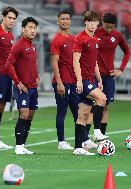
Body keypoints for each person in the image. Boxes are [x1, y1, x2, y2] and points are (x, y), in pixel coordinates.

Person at [72, 10, 108, 155]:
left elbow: (94, 63)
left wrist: (99, 80)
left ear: (98, 23)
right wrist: (79, 80)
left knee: (84, 114)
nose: (93, 24)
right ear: (85, 22)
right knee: (102, 98)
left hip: (91, 79)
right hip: (84, 80)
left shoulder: (95, 39)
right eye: (90, 21)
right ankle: (97, 131)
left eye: (95, 21)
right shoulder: (80, 38)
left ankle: (79, 147)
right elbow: (76, 61)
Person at [5, 17, 39, 155]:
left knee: (30, 115)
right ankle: (18, 146)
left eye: (34, 28)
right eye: (30, 27)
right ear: (23, 29)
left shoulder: (32, 45)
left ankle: (23, 144)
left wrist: (36, 76)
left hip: (33, 87)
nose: (32, 30)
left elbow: (31, 64)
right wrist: (18, 82)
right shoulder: (18, 44)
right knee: (24, 114)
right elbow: (8, 65)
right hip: (22, 87)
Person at [95, 12, 131, 135]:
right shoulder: (94, 33)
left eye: (112, 27)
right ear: (102, 23)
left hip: (108, 77)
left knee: (105, 106)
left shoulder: (117, 35)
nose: (109, 30)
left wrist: (120, 69)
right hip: (93, 76)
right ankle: (87, 138)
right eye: (107, 26)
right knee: (91, 106)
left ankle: (102, 136)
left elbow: (127, 52)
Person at [0, 7, 19, 149]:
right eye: (9, 18)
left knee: (1, 106)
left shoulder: (10, 36)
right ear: (3, 17)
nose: (11, 21)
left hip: (7, 76)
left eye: (14, 18)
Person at [50, 10, 77, 150]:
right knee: (62, 111)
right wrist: (59, 83)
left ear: (70, 21)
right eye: (62, 19)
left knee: (77, 111)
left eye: (67, 18)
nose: (65, 21)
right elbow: (54, 63)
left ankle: (83, 139)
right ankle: (61, 142)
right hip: (62, 82)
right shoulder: (56, 40)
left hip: (73, 81)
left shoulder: (74, 39)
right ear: (58, 22)